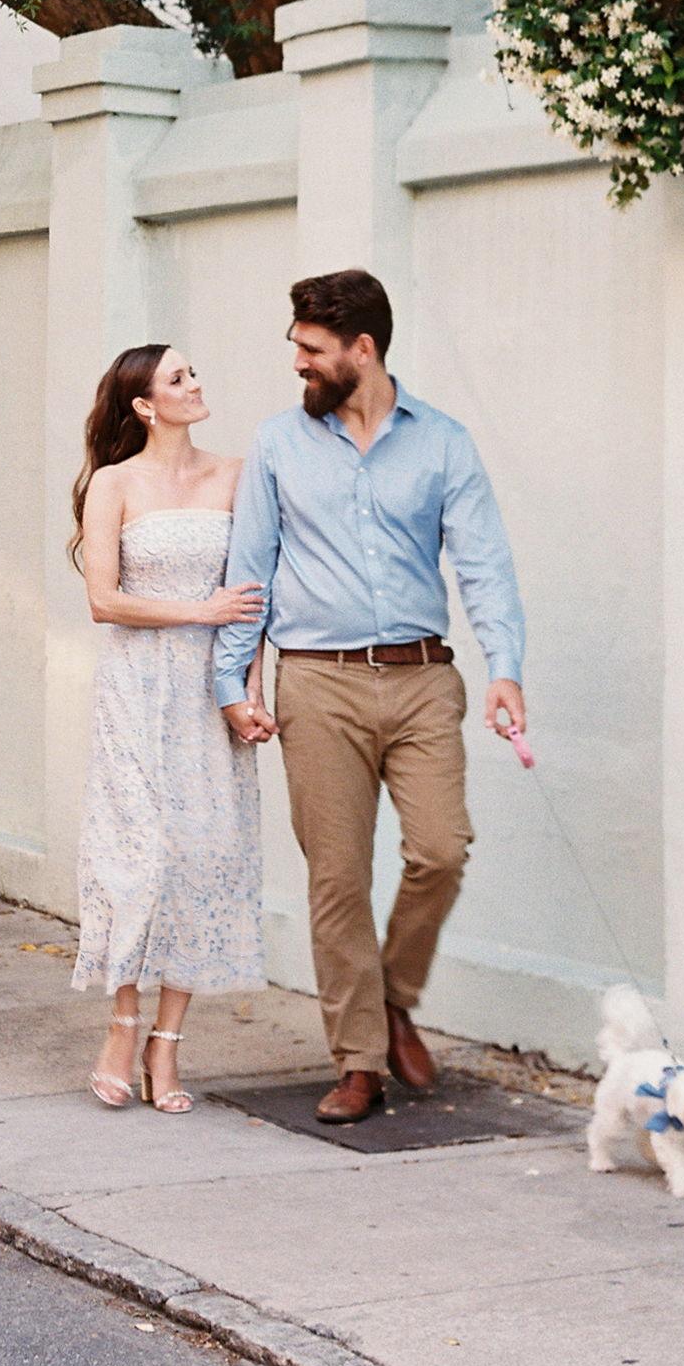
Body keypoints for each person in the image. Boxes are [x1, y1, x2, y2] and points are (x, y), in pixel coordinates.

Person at [211, 269, 528, 1123]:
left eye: (312, 352)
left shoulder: (445, 444)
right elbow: (251, 573)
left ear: (363, 349)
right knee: (338, 879)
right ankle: (360, 1059)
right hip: (317, 683)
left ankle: (391, 998)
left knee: (441, 850)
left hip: (425, 679)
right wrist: (230, 686)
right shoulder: (279, 445)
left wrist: (506, 669)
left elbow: (484, 564)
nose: (299, 367)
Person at [69, 343, 268, 1114]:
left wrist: (249, 692)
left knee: (202, 855)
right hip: (136, 688)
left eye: (194, 372)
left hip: (209, 693)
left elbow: (253, 600)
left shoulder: (236, 475)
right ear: (144, 405)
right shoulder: (113, 484)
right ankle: (122, 1021)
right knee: (137, 854)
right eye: (178, 378)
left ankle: (168, 1044)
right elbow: (104, 600)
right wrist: (198, 611)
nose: (196, 384)